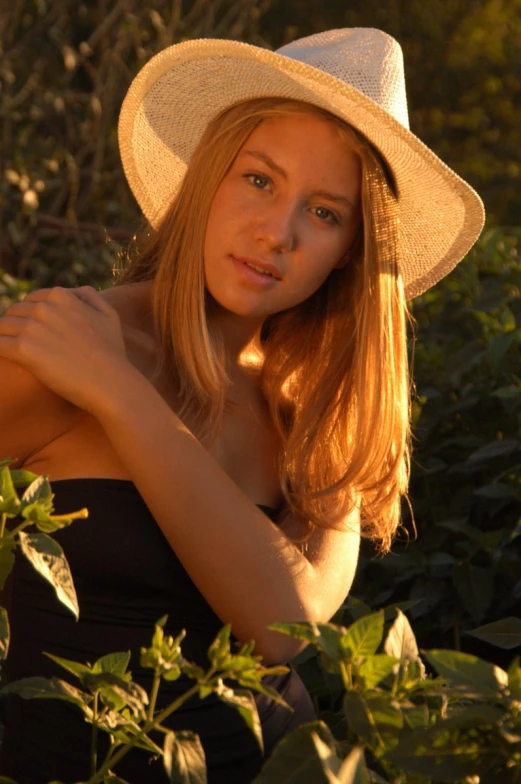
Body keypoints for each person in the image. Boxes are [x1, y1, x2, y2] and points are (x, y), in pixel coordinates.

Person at [0, 27, 484, 784]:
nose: (276, 232)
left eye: (324, 213)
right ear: (208, 175)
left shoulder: (316, 416)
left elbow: (282, 622)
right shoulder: (58, 347)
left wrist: (119, 393)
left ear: (350, 253)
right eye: (259, 179)